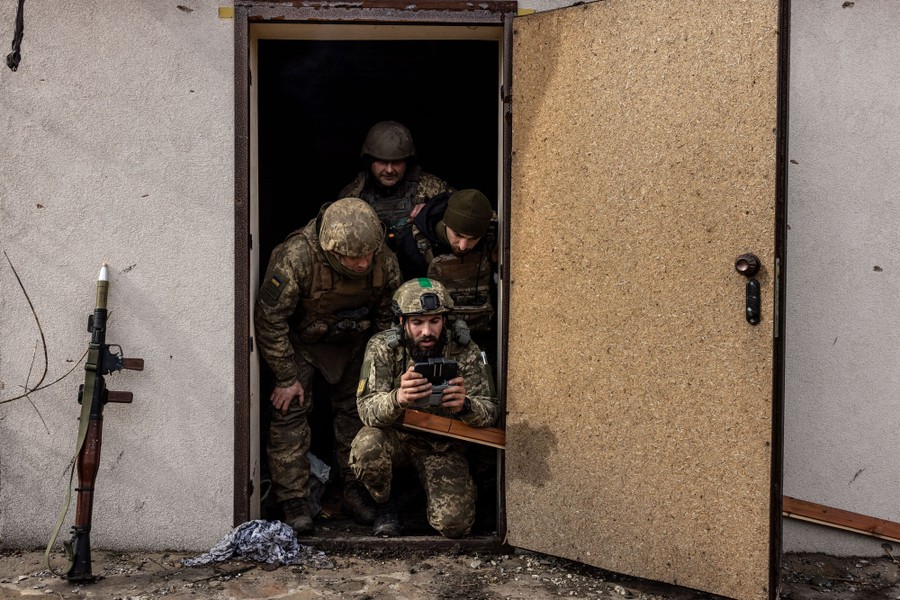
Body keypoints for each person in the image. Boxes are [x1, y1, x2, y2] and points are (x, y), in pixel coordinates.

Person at [255, 197, 402, 535]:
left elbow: (390, 318)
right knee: (290, 412)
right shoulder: (297, 257)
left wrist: (380, 369)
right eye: (355, 258)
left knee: (357, 415)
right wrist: (286, 376)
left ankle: (355, 489)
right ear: (333, 252)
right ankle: (294, 499)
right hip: (302, 345)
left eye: (369, 255)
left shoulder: (383, 259)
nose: (365, 263)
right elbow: (269, 318)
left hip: (355, 345)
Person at [350, 278, 498, 538]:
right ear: (402, 322)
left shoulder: (466, 350)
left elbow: (491, 409)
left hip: (441, 443)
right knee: (367, 446)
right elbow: (365, 408)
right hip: (396, 437)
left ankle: (419, 494)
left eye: (435, 321)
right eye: (417, 322)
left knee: (455, 526)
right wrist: (398, 399)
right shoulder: (383, 347)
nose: (427, 332)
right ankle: (385, 503)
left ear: (445, 320)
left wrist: (465, 406)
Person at [393, 188, 496, 338]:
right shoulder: (413, 243)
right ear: (446, 223)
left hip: (482, 328)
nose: (463, 246)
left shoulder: (493, 235)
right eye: (458, 235)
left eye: (473, 239)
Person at [339, 121, 453, 247]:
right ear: (370, 161)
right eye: (382, 162)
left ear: (406, 161)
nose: (389, 170)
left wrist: (433, 209)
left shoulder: (430, 187)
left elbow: (464, 210)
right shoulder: (352, 196)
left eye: (396, 162)